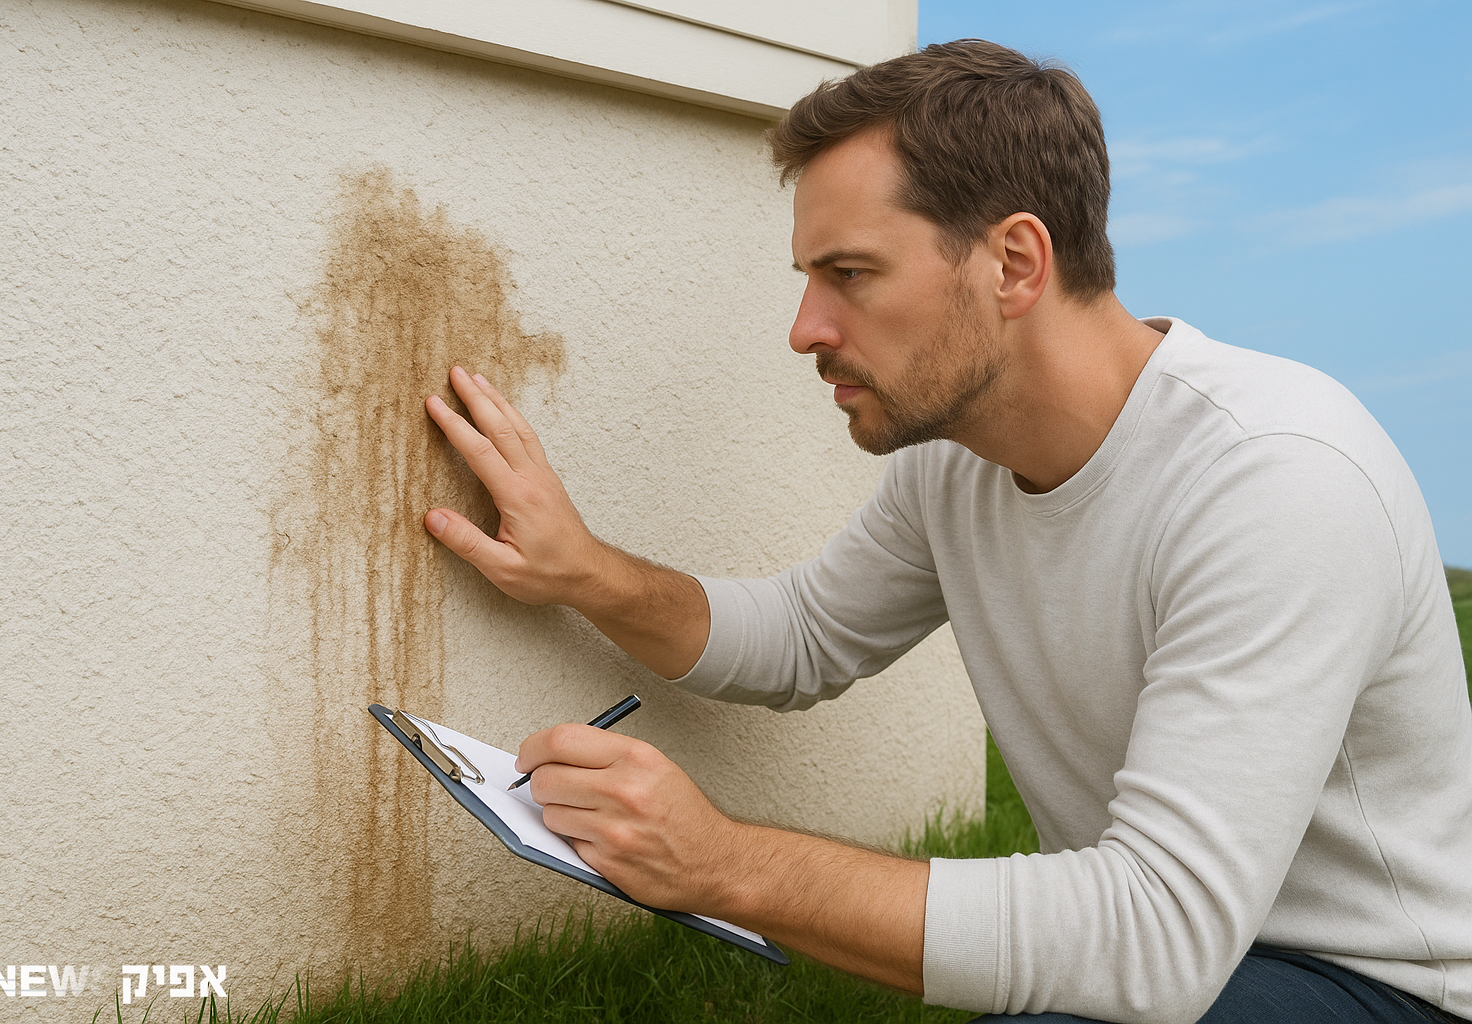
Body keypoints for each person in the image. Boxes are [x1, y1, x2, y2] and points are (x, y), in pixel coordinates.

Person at [419, 40, 1472, 1024]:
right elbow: (802, 637)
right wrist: (584, 571)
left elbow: (1156, 934)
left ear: (1013, 262)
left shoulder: (1275, 478)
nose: (805, 330)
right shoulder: (956, 459)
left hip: (1379, 979)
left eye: (850, 274)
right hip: (1177, 959)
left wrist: (722, 863)